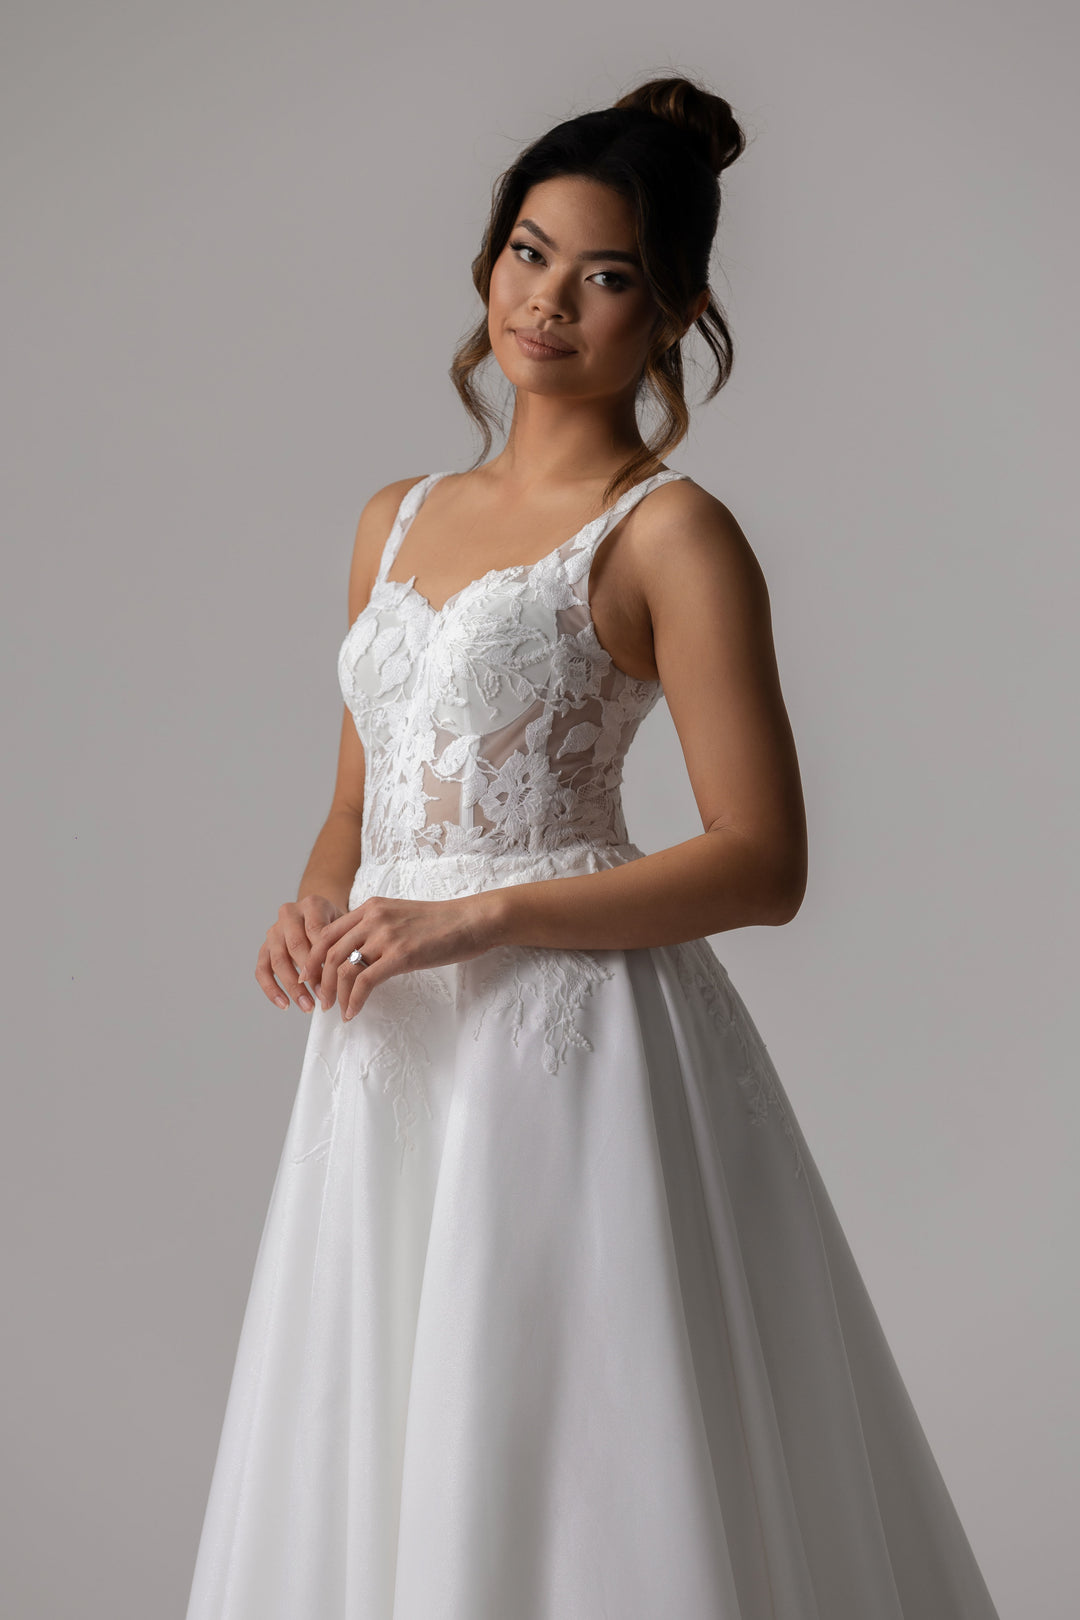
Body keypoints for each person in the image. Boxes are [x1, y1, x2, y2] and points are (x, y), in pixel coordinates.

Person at [185, 76, 1002, 1620]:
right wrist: (310, 902)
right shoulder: (392, 517)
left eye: (605, 274)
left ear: (676, 311)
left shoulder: (672, 532)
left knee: (570, 1448)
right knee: (376, 1426)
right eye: (528, 252)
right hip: (384, 1041)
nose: (548, 301)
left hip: (563, 1042)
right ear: (489, 261)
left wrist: (485, 918)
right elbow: (360, 808)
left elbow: (764, 862)